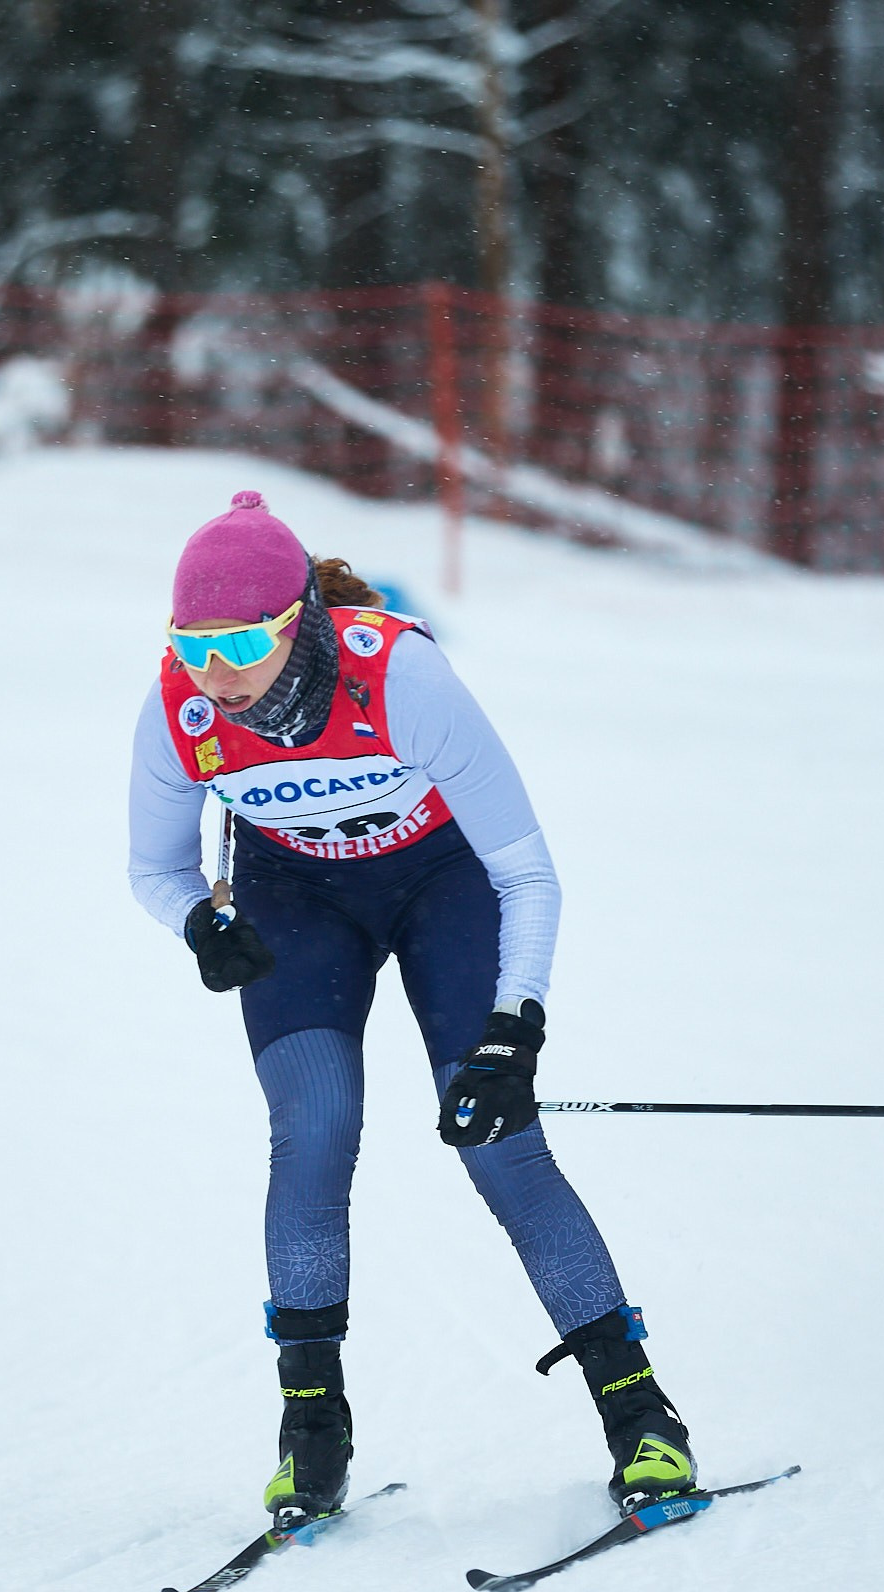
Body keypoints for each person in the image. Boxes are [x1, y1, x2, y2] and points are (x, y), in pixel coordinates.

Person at [126, 489, 697, 1529]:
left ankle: (639, 1412)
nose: (218, 674)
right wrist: (200, 927)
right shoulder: (183, 709)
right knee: (313, 1131)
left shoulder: (399, 674)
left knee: (498, 1143)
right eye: (193, 645)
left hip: (443, 888)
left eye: (243, 642)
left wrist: (514, 1026)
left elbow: (525, 871)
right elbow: (153, 870)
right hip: (296, 903)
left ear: (297, 618)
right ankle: (312, 1431)